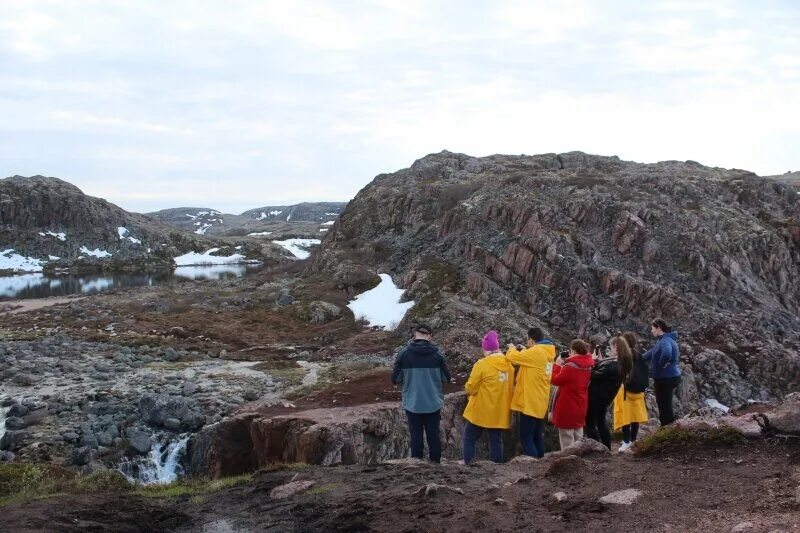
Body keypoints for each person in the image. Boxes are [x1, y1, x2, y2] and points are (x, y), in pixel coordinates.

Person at [391, 323, 452, 463]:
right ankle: (436, 464)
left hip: (412, 403)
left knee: (415, 435)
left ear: (415, 335)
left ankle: (416, 464)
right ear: (429, 336)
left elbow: (395, 379)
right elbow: (446, 378)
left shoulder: (403, 354)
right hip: (433, 403)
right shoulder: (438, 355)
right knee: (433, 434)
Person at [462, 331, 515, 464]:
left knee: (469, 438)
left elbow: (470, 388)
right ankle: (496, 467)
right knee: (496, 440)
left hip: (481, 410)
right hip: (499, 411)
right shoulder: (509, 364)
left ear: (486, 348)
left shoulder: (482, 364)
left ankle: (469, 464)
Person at [505, 327, 556, 458]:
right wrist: (526, 350)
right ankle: (541, 462)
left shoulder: (536, 353)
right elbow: (532, 360)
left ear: (531, 340)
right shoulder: (547, 352)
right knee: (537, 436)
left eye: (528, 341)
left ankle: (532, 464)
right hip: (540, 401)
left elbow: (512, 357)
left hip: (529, 402)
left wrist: (511, 347)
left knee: (526, 437)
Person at [550, 339, 595, 449]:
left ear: (573, 350)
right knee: (578, 433)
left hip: (567, 404)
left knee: (567, 436)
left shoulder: (570, 366)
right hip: (581, 403)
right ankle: (579, 457)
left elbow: (555, 380)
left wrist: (557, 365)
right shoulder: (589, 365)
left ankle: (568, 460)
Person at [584, 339, 626, 450]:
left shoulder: (613, 366)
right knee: (601, 420)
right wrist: (599, 361)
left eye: (611, 347)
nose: (610, 349)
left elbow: (594, 375)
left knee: (591, 422)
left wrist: (591, 363)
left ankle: (595, 447)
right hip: (606, 397)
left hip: (597, 396)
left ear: (616, 348)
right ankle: (606, 447)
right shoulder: (620, 362)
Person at [614, 332, 649, 452]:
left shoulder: (625, 356)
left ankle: (626, 441)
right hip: (639, 392)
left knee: (625, 417)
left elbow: (620, 372)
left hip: (627, 391)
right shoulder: (640, 355)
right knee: (635, 416)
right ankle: (633, 440)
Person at [642, 318, 681, 426]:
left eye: (652, 328)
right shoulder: (663, 340)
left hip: (665, 378)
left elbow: (667, 353)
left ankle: (668, 432)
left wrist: (660, 365)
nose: (651, 331)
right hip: (669, 377)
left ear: (658, 328)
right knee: (664, 405)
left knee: (664, 406)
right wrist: (636, 357)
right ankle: (668, 431)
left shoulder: (665, 341)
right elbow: (650, 353)